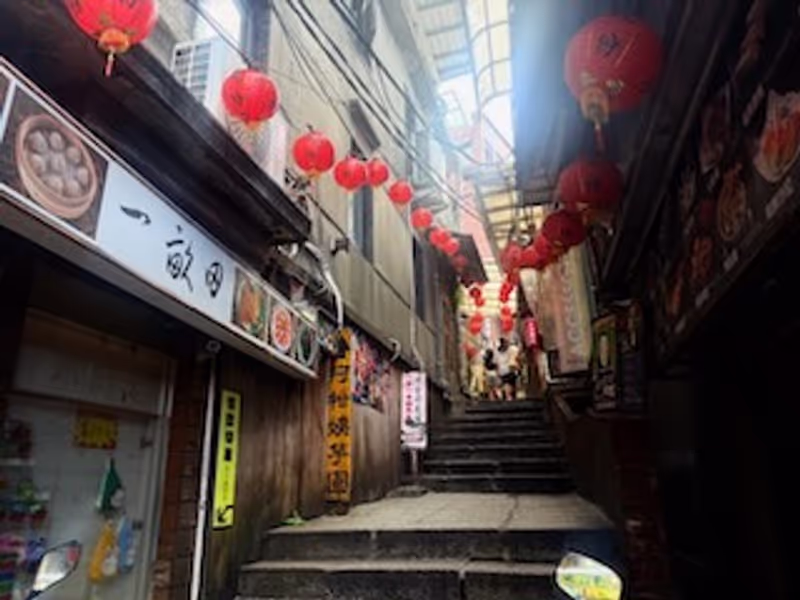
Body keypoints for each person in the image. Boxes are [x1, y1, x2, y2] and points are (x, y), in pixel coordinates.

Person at [496, 337, 519, 402]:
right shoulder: (504, 352)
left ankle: (508, 395)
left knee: (509, 383)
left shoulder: (510, 350)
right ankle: (508, 396)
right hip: (506, 371)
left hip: (507, 370)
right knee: (508, 383)